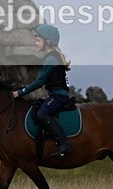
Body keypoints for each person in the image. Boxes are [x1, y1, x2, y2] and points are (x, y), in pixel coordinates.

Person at [12, 25, 75, 157]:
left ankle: (64, 143)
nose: (35, 43)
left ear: (47, 42)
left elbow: (39, 82)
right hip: (56, 95)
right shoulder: (53, 57)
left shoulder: (51, 59)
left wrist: (20, 92)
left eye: (38, 40)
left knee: (42, 114)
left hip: (58, 97)